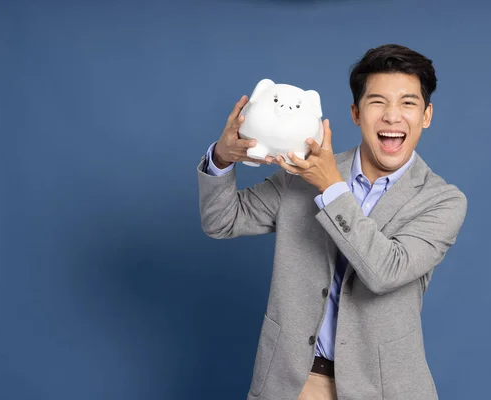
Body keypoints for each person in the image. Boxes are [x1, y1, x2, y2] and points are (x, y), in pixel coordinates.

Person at [196, 44, 467, 400]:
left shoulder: (442, 201)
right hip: (292, 383)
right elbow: (222, 220)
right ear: (356, 113)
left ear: (426, 115)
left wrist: (329, 186)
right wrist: (221, 157)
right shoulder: (299, 174)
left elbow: (385, 271)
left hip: (386, 390)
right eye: (377, 102)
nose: (392, 116)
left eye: (408, 103)